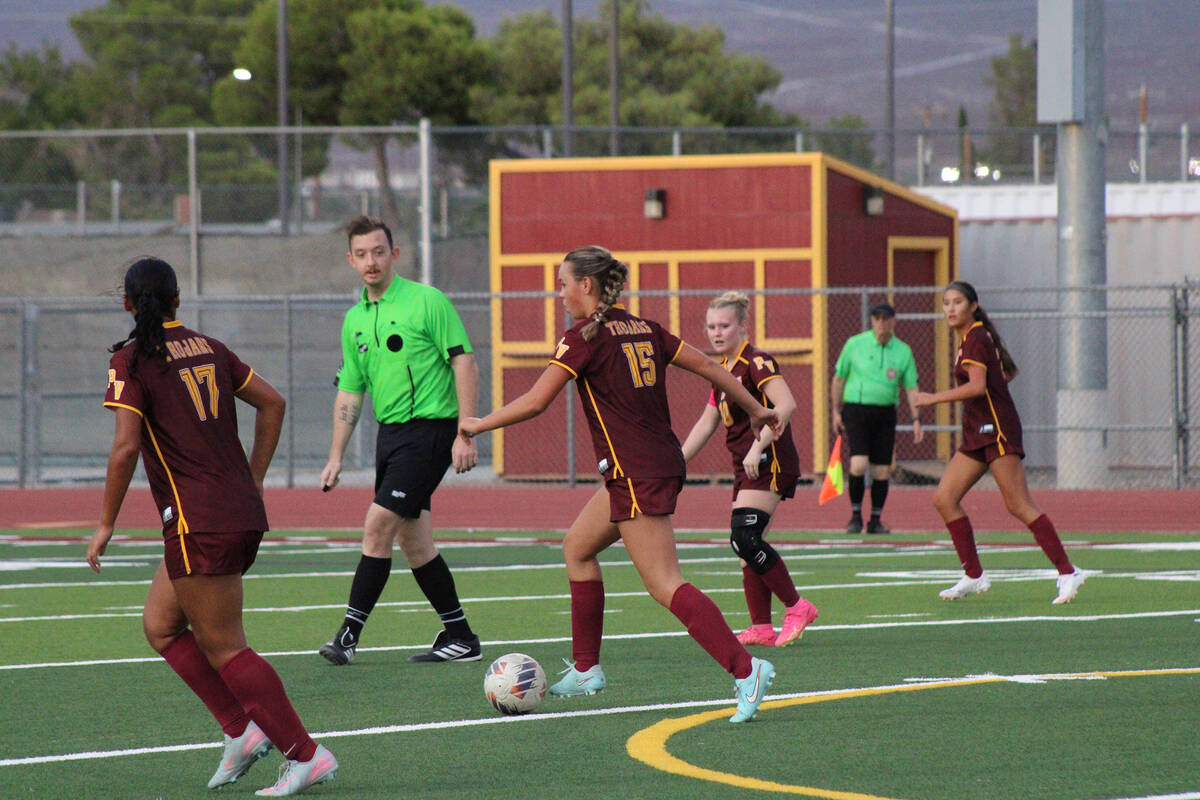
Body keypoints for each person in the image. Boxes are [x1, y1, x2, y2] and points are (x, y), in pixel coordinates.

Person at [460, 246, 780, 723]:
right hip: (648, 465)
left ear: (586, 285)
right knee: (577, 548)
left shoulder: (582, 338)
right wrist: (755, 409)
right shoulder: (645, 328)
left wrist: (477, 424)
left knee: (665, 584)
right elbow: (712, 368)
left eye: (563, 283)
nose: (560, 293)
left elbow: (536, 401)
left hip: (636, 472)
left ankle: (746, 669)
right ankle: (586, 669)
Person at [87, 257, 337, 797]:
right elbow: (272, 403)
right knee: (160, 626)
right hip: (231, 512)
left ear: (128, 304)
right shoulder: (210, 347)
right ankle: (241, 730)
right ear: (178, 299)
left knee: (225, 647)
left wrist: (105, 523)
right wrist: (254, 477)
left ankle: (306, 755)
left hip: (198, 521)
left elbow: (126, 447)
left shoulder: (131, 360)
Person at [317, 215, 481, 665]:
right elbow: (350, 391)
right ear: (351, 260)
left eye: (378, 252)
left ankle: (347, 636)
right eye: (362, 254)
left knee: (377, 526)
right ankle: (460, 636)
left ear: (395, 254)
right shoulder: (354, 320)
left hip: (431, 430)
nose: (371, 261)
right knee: (415, 543)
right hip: (390, 437)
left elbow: (464, 363)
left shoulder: (427, 301)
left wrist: (466, 431)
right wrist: (335, 456)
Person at [913, 280, 1087, 604]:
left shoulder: (977, 337)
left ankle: (1068, 571)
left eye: (957, 302)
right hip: (977, 433)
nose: (950, 308)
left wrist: (932, 398)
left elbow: (978, 387)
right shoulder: (971, 338)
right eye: (946, 303)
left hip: (997, 431)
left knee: (1018, 504)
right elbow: (997, 378)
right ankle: (974, 575)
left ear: (973, 306)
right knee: (944, 498)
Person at [680, 291, 819, 648]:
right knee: (746, 547)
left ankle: (797, 606)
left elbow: (786, 405)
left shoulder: (756, 361)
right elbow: (707, 422)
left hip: (770, 460)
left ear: (743, 326)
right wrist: (677, 462)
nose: (716, 332)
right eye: (711, 326)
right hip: (746, 466)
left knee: (744, 537)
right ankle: (761, 626)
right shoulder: (721, 371)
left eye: (724, 325)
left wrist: (758, 448)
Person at [831, 301, 924, 534]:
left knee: (882, 471)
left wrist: (916, 419)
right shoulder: (855, 344)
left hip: (885, 413)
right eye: (877, 319)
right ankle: (855, 516)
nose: (881, 323)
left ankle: (875, 520)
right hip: (857, 409)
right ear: (872, 321)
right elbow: (839, 379)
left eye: (886, 319)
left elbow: (911, 387)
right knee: (859, 464)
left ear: (893, 321)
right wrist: (835, 410)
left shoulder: (903, 351)